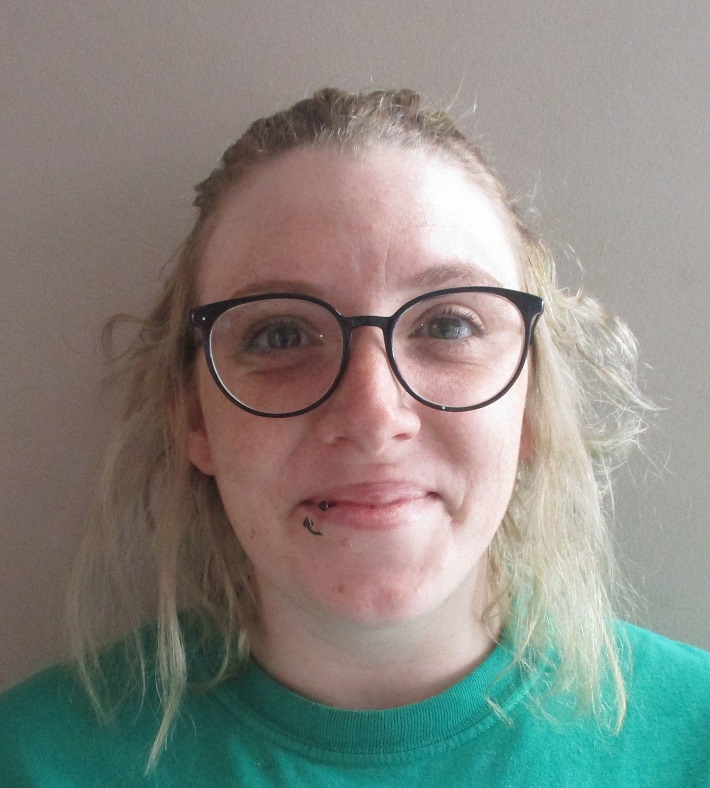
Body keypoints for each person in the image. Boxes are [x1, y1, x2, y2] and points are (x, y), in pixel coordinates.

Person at [1, 88, 708, 786]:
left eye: (448, 325)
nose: (373, 415)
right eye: (281, 335)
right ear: (193, 417)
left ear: (530, 404)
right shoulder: (32, 763)